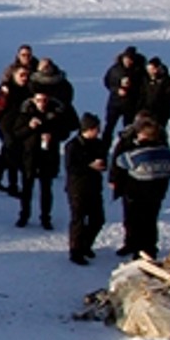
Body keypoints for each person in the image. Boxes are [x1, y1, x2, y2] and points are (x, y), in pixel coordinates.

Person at [111, 115, 170, 259]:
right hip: (157, 193)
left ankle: (137, 248)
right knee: (150, 221)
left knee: (134, 221)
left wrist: (127, 142)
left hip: (136, 193)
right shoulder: (165, 152)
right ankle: (149, 248)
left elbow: (120, 161)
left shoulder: (139, 154)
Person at [13, 89, 75, 230]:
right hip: (30, 155)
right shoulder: (25, 113)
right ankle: (24, 215)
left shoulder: (56, 113)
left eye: (45, 100)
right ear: (34, 100)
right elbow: (17, 133)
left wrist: (53, 136)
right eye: (39, 100)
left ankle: (46, 218)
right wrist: (29, 127)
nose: (42, 103)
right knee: (27, 187)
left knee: (46, 188)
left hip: (48, 156)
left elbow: (66, 131)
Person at [63, 113, 109, 264]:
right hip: (78, 188)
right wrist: (89, 166)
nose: (98, 132)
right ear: (88, 129)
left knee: (98, 219)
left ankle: (85, 245)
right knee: (78, 220)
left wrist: (102, 165)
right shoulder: (73, 145)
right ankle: (75, 251)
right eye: (96, 129)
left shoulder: (99, 143)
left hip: (94, 186)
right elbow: (71, 167)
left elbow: (105, 160)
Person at [0, 63, 34, 197]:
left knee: (6, 153)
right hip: (6, 126)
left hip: (19, 126)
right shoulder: (7, 89)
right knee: (12, 153)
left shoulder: (28, 89)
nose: (24, 78)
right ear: (14, 75)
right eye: (21, 75)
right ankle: (12, 186)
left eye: (26, 75)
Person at [99, 46, 144, 143]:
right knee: (109, 127)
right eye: (126, 59)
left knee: (128, 129)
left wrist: (132, 88)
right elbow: (107, 82)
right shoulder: (115, 69)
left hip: (131, 104)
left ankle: (126, 146)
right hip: (115, 103)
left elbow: (143, 87)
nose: (128, 62)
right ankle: (104, 149)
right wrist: (117, 89)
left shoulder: (139, 70)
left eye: (130, 59)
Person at [140, 57, 170, 127]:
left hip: (160, 114)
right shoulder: (145, 79)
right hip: (146, 111)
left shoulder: (167, 81)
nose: (150, 71)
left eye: (152, 69)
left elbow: (169, 98)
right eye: (148, 69)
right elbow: (142, 94)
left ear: (158, 68)